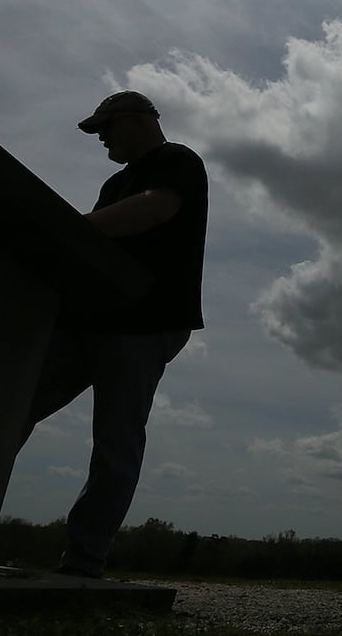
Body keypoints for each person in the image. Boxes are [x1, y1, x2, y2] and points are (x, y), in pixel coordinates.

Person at [17, 90, 208, 578]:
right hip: (89, 319)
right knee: (11, 410)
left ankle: (83, 562)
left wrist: (66, 231)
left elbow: (156, 209)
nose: (101, 137)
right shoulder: (113, 183)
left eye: (107, 127)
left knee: (115, 442)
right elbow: (92, 251)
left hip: (145, 323)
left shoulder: (177, 160)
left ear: (140, 120)